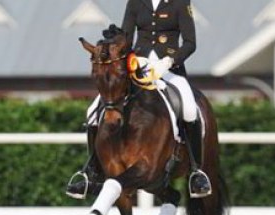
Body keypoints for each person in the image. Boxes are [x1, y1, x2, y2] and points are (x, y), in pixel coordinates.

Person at [66, 0, 211, 199]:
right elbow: (126, 37)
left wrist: (169, 61)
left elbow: (190, 43)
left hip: (168, 68)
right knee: (92, 112)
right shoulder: (135, 2)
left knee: (189, 108)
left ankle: (196, 171)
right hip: (137, 66)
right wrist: (112, 43)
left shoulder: (179, 3)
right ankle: (92, 171)